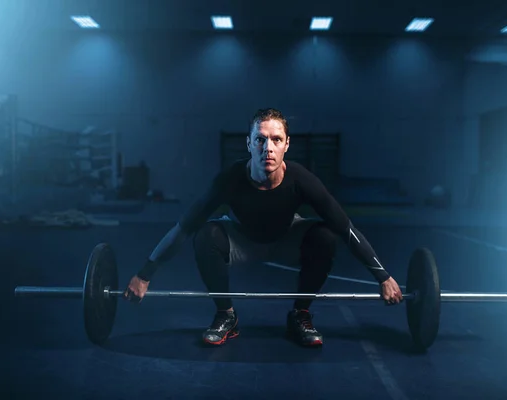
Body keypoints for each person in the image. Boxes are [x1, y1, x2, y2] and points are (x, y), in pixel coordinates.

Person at [124, 108, 403, 347]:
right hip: (241, 239)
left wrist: (383, 277)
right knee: (205, 234)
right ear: (249, 144)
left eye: (276, 139)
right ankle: (226, 316)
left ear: (286, 144)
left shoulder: (301, 180)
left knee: (326, 236)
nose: (267, 148)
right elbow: (184, 227)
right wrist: (145, 275)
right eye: (260, 139)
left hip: (286, 239)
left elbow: (346, 228)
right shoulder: (230, 178)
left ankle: (300, 315)